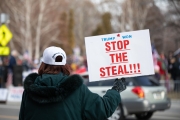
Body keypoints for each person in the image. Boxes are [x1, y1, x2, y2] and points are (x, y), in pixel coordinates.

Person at [19, 46, 126, 120]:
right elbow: (103, 109)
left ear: (43, 64)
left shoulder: (29, 90)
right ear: (65, 65)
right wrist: (116, 90)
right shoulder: (78, 90)